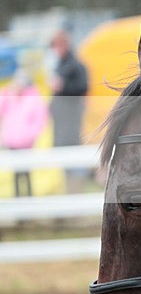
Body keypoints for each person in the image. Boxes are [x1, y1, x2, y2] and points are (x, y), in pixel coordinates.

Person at [48, 29, 89, 192]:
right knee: (63, 157)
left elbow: (83, 88)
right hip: (61, 120)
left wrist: (63, 86)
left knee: (74, 155)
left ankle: (76, 190)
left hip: (71, 119)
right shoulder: (59, 64)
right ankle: (68, 190)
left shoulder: (77, 66)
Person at [0, 68, 49, 196]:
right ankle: (19, 206)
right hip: (12, 142)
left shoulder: (34, 99)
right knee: (16, 175)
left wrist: (27, 137)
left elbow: (39, 122)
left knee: (26, 174)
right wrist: (5, 93)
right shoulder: (11, 97)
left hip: (26, 144)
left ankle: (29, 202)